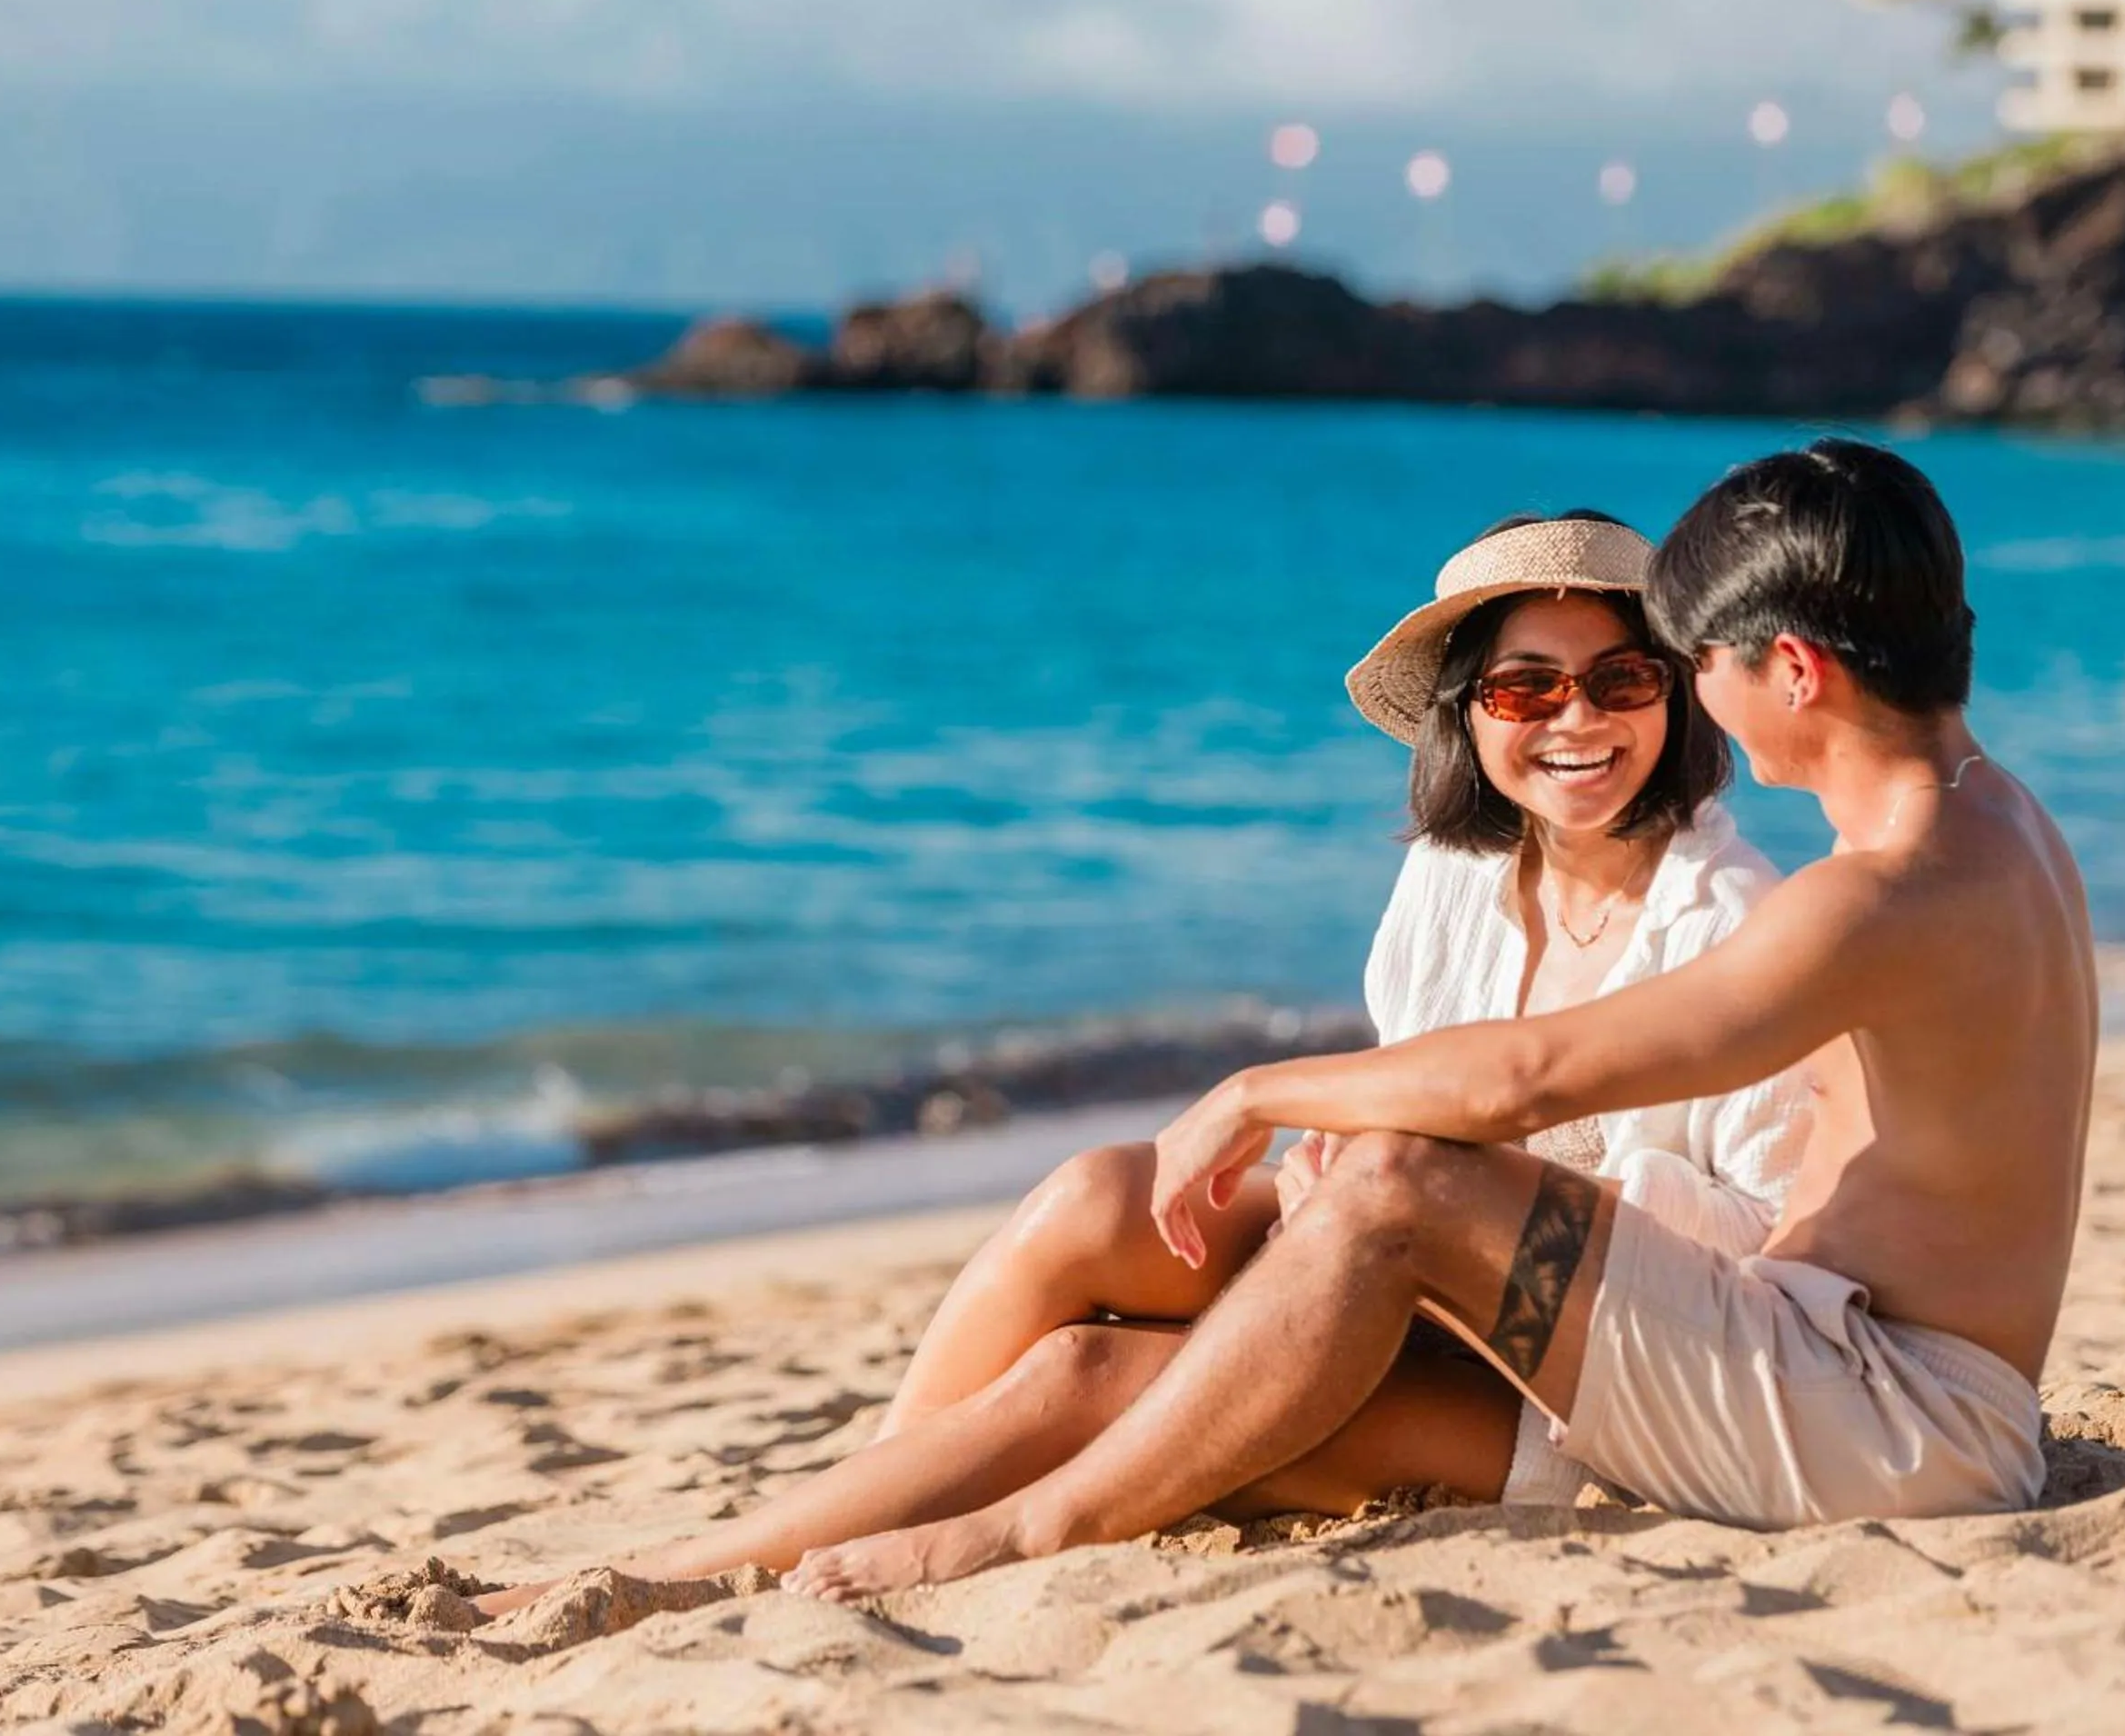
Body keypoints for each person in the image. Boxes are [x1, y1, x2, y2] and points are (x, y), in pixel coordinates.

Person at [782, 437, 2095, 1601]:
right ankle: (851, 1519)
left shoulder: (1864, 897)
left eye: (1689, 663)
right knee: (1198, 1243)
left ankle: (1023, 1534)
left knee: (1387, 1190)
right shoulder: (1999, 822)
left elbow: (1532, 1080)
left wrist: (1255, 1093)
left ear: (1791, 670)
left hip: (1884, 1422)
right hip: (1854, 1376)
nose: (1692, 695)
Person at [474, 509, 1806, 1617]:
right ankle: (883, 1482)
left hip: (1575, 1390)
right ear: (1472, 713)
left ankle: (674, 1580)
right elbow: (1412, 1104)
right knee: (1096, 1200)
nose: (1578, 720)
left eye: (1622, 680)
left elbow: (1771, 1248)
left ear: (1677, 698)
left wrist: (1493, 1189)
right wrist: (1360, 1155)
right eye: (1530, 687)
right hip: (1391, 1283)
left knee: (1079, 1380)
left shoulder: (1731, 919)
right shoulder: (1460, 880)